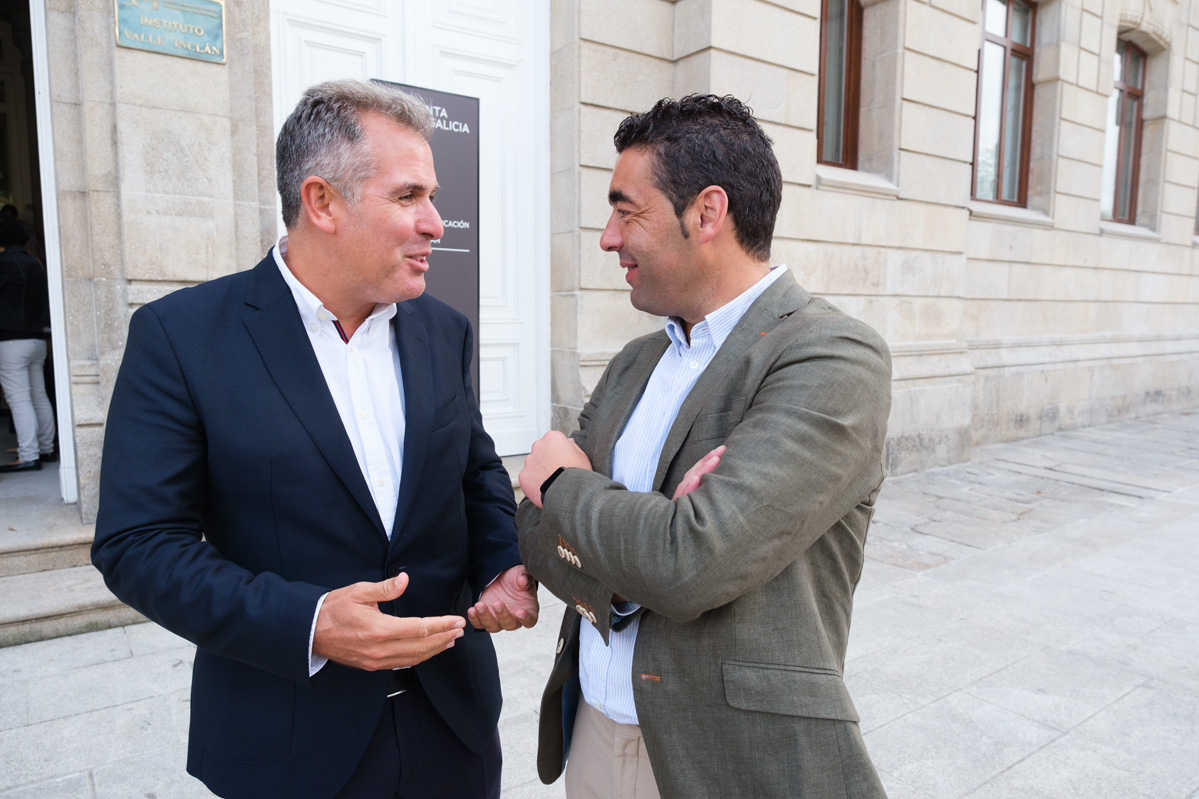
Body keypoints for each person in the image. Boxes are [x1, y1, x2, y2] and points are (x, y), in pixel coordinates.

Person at [92, 80, 538, 799]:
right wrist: (308, 622)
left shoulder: (443, 330)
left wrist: (501, 559)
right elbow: (137, 543)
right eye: (407, 197)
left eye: (432, 197)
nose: (435, 222)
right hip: (288, 744)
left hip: (452, 726)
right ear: (321, 201)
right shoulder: (181, 336)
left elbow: (474, 471)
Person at [517, 95, 892, 798]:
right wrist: (639, 561)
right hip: (592, 734)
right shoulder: (634, 359)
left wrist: (568, 487)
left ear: (707, 213)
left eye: (627, 211)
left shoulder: (831, 357)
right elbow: (534, 531)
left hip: (726, 755)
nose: (606, 237)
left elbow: (688, 561)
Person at [0, 214, 55, 472]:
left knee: (19, 399)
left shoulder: (3, 263)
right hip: (37, 338)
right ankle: (45, 448)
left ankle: (28, 454)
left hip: (11, 340)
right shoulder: (35, 263)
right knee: (38, 395)